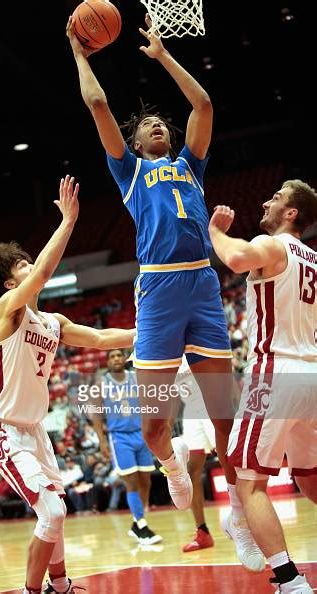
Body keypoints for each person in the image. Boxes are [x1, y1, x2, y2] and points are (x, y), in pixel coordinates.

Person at [67, 13, 263, 570]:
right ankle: (172, 469)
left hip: (203, 284)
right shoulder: (128, 173)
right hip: (157, 291)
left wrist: (162, 56)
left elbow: (202, 107)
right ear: (132, 142)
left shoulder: (191, 168)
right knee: (155, 424)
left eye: (160, 123)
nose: (157, 125)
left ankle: (240, 520)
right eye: (147, 124)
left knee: (225, 421)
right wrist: (81, 56)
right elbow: (99, 107)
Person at [0, 176, 135, 594]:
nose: (30, 268)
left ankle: (59, 585)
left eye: (27, 263)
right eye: (21, 266)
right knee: (51, 512)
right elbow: (44, 271)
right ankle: (35, 590)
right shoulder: (9, 310)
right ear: (10, 284)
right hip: (4, 427)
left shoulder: (52, 323)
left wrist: (151, 333)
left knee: (56, 508)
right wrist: (67, 221)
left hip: (36, 430)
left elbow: (99, 339)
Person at [208, 179, 317, 593]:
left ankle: (289, 580)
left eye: (277, 199)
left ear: (291, 214)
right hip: (311, 375)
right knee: (310, 478)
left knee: (249, 480)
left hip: (276, 373)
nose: (267, 202)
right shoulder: (314, 260)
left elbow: (236, 257)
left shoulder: (274, 246)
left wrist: (215, 231)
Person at [90, 349, 162, 545]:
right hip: (119, 438)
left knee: (146, 481)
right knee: (131, 482)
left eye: (119, 355)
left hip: (141, 434)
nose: (116, 359)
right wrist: (102, 441)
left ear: (124, 358)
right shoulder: (102, 383)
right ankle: (141, 525)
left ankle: (137, 522)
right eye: (112, 356)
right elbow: (95, 413)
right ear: (107, 361)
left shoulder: (135, 378)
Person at [176, 357, 215, 552]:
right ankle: (203, 532)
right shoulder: (161, 350)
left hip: (211, 401)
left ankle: (249, 523)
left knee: (232, 462)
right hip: (191, 410)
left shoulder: (190, 337)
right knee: (192, 471)